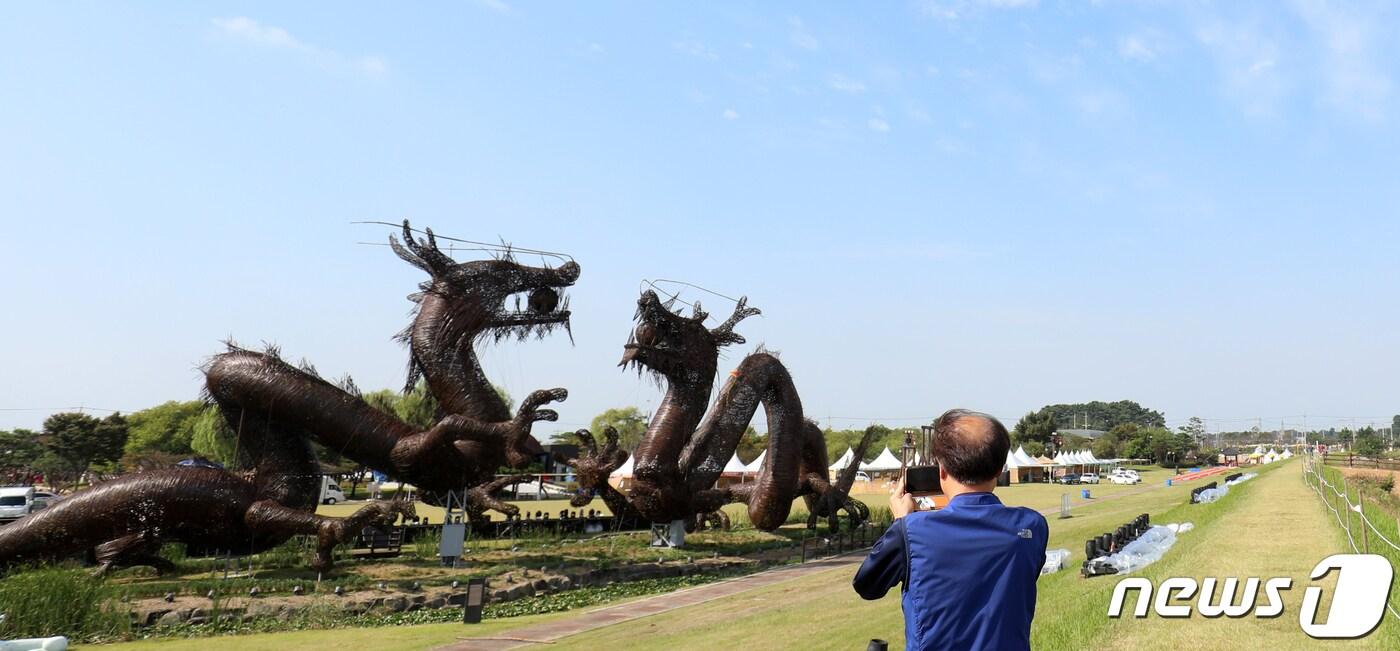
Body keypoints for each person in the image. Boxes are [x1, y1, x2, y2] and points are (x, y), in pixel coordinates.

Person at [853, 409, 1048, 651]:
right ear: (1000, 469)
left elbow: (868, 587)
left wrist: (901, 522)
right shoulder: (1032, 526)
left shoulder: (910, 532)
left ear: (941, 470)